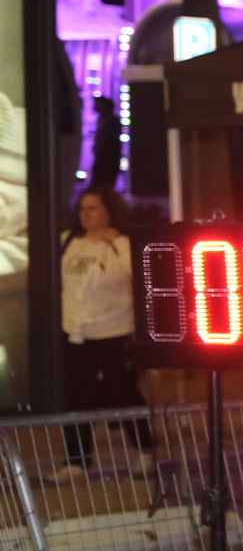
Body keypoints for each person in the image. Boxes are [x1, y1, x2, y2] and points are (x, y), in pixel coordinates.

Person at [57, 187, 154, 481]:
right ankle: (76, 461)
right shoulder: (67, 241)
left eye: (93, 208)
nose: (86, 214)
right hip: (75, 333)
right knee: (75, 397)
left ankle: (144, 450)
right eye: (83, 208)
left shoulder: (122, 243)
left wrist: (118, 245)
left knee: (123, 393)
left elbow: (139, 276)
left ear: (109, 211)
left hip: (116, 332)